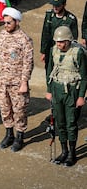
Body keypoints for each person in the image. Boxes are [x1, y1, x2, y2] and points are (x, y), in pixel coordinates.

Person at [0, 7, 34, 152]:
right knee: (5, 109)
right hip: (3, 81)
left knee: (19, 110)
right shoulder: (2, 35)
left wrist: (24, 82)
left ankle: (19, 137)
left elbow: (28, 63)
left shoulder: (24, 39)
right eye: (5, 22)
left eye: (9, 23)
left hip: (17, 83)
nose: (6, 25)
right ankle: (9, 134)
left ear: (16, 22)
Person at [46, 26, 87, 166]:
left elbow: (84, 76)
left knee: (71, 123)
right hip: (57, 90)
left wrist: (81, 96)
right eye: (57, 41)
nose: (59, 44)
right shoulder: (53, 51)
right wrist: (49, 90)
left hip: (71, 91)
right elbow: (49, 71)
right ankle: (63, 151)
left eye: (62, 41)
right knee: (60, 122)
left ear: (69, 40)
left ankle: (72, 153)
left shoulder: (78, 53)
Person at [40, 0, 78, 71]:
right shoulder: (49, 15)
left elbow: (73, 39)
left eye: (58, 6)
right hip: (50, 49)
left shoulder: (70, 19)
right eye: (54, 5)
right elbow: (45, 34)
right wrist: (43, 51)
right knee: (48, 70)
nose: (55, 8)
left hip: (63, 50)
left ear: (64, 5)